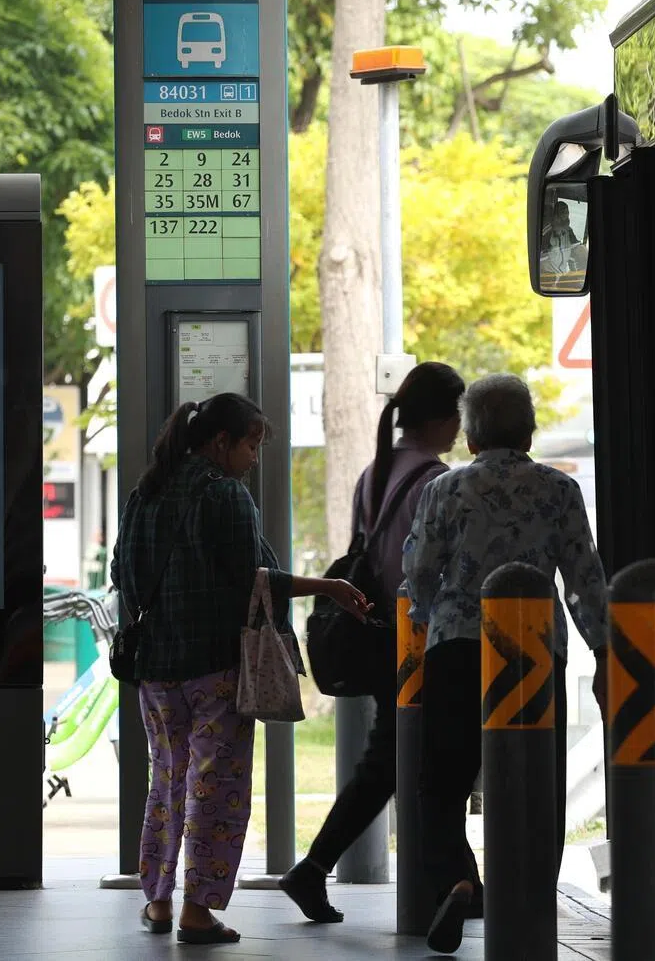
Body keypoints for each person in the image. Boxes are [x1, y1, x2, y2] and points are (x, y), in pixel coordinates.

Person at [110, 393, 370, 946]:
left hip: (154, 668)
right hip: (214, 668)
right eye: (251, 445)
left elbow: (122, 574)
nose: (254, 458)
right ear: (221, 442)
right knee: (215, 785)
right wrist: (327, 587)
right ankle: (198, 912)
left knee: (167, 778)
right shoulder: (225, 496)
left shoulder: (145, 494)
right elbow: (252, 581)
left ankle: (157, 901)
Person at [403, 373, 610, 955]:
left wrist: (423, 614)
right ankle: (531, 890)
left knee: (441, 782)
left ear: (471, 436)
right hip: (534, 653)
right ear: (529, 430)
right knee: (534, 780)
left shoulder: (445, 490)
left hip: (458, 649)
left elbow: (419, 571)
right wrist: (605, 650)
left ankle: (457, 880)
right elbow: (584, 580)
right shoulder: (558, 491)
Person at [280, 361, 466, 923]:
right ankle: (452, 883)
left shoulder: (374, 472)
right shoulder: (434, 479)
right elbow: (436, 566)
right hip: (416, 640)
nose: (459, 425)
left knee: (394, 762)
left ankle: (458, 882)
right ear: (438, 418)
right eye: (455, 413)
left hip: (379, 632)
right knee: (419, 763)